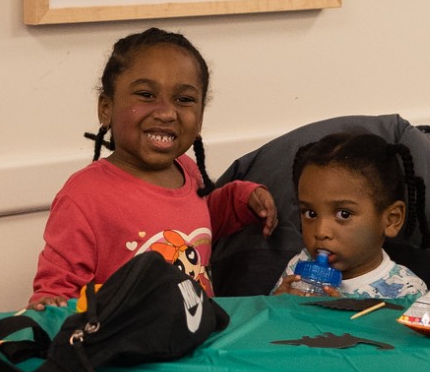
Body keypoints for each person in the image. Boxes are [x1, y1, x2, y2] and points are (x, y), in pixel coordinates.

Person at [29, 27, 277, 306]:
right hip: (126, 345)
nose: (166, 112)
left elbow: (198, 223)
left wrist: (240, 200)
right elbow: (57, 292)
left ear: (200, 118)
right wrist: (52, 303)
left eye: (184, 100)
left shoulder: (187, 170)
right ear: (106, 108)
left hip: (198, 338)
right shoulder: (83, 196)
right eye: (146, 95)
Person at [271, 131, 430, 301]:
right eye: (310, 213)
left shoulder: (407, 293)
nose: (321, 231)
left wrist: (341, 316)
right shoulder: (298, 266)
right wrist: (277, 305)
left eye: (344, 214)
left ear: (391, 220)